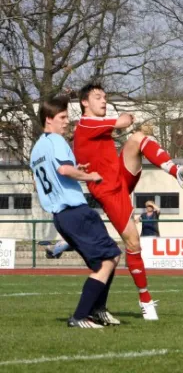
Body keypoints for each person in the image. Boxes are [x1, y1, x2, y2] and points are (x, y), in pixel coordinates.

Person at [73, 83, 183, 320]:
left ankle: (175, 170)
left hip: (118, 176)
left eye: (105, 97)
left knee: (138, 138)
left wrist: (125, 121)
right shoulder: (87, 123)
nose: (104, 101)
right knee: (133, 242)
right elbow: (122, 122)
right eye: (98, 97)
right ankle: (145, 299)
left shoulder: (96, 123)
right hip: (108, 191)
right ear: (84, 103)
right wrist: (125, 118)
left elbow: (120, 128)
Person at [30, 95, 121, 328]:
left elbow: (41, 180)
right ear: (48, 120)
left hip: (61, 216)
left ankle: (97, 310)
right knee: (107, 260)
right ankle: (81, 316)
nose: (66, 122)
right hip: (75, 211)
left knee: (111, 256)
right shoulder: (56, 140)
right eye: (62, 117)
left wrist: (74, 170)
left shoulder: (37, 148)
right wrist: (88, 175)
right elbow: (62, 168)